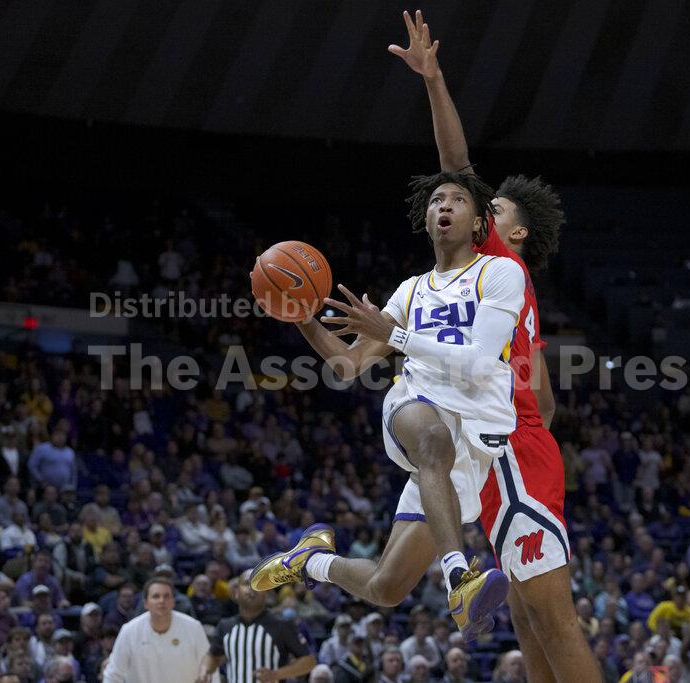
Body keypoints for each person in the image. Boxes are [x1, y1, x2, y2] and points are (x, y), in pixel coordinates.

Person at [387, 9, 600, 682]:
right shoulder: (511, 294)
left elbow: (457, 165)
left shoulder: (500, 266)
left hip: (514, 450)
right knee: (528, 616)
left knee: (551, 618)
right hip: (509, 446)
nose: (482, 209)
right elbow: (544, 398)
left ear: (514, 233)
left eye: (495, 209)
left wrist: (434, 80)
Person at [251, 169, 518, 641]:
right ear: (427, 219)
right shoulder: (411, 290)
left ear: (479, 223)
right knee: (433, 439)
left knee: (386, 587)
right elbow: (348, 364)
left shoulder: (498, 273)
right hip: (416, 405)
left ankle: (310, 560)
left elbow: (479, 363)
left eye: (458, 199)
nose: (445, 204)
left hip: (474, 434)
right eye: (436, 200)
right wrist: (302, 314)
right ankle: (459, 578)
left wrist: (394, 335)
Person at [201, 570, 316, 683]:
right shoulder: (225, 625)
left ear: (267, 593)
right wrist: (204, 671)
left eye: (259, 584)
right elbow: (213, 655)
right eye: (247, 583)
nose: (252, 588)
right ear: (236, 592)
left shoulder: (282, 625)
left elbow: (309, 661)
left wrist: (277, 674)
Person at [102, 577, 213, 683]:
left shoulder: (193, 628)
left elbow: (209, 665)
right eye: (156, 596)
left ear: (173, 601)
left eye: (166, 596)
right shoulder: (129, 631)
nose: (161, 600)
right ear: (146, 603)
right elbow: (113, 674)